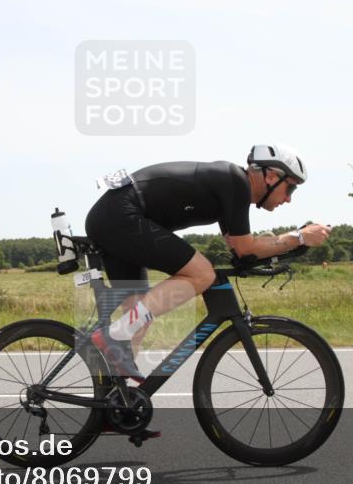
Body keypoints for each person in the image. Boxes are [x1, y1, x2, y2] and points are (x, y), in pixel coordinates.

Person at [85, 144, 331, 382]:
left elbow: (241, 251)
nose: (288, 199)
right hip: (120, 215)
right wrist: (298, 237)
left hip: (114, 216)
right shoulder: (235, 182)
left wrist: (294, 243)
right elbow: (247, 248)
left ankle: (116, 407)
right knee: (202, 274)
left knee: (136, 316)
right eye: (291, 189)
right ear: (271, 177)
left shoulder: (233, 190)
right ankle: (114, 336)